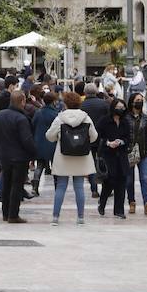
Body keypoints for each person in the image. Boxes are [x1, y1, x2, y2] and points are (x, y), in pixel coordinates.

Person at [44, 91, 99, 225]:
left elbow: (49, 136)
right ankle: (80, 218)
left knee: (61, 187)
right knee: (79, 187)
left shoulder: (60, 118)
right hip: (81, 156)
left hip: (63, 156)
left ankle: (55, 217)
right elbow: (94, 137)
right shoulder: (86, 118)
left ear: (66, 103)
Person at [0, 90, 36, 223]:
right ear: (22, 101)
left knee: (6, 184)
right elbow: (26, 140)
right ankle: (13, 214)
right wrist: (34, 153)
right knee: (16, 186)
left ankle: (5, 213)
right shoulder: (21, 118)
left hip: (4, 156)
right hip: (19, 157)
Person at [96, 97, 135, 219]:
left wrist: (121, 142)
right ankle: (102, 202)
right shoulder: (104, 121)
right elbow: (97, 137)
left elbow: (129, 138)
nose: (120, 110)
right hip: (108, 155)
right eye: (118, 108)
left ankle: (119, 210)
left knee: (122, 181)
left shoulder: (125, 122)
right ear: (113, 108)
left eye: (122, 108)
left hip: (121, 154)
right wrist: (108, 143)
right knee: (110, 180)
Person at [127, 93, 147, 215]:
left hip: (143, 152)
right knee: (129, 180)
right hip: (129, 153)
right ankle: (131, 202)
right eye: (137, 100)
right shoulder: (126, 117)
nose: (139, 102)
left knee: (144, 178)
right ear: (132, 102)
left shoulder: (145, 118)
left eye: (141, 100)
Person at [30, 90, 59, 194]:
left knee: (40, 165)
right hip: (53, 143)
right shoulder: (56, 114)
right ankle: (57, 188)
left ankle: (35, 185)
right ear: (53, 101)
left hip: (39, 143)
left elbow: (32, 126)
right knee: (55, 167)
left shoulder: (38, 113)